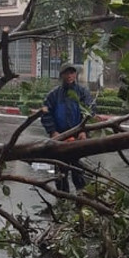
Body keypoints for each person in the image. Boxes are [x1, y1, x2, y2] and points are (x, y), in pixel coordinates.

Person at [40, 62, 95, 192]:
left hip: (77, 138)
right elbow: (46, 114)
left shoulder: (83, 93)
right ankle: (63, 198)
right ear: (62, 75)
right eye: (67, 73)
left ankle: (82, 195)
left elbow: (89, 111)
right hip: (60, 138)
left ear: (75, 74)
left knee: (77, 169)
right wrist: (53, 132)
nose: (70, 75)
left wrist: (84, 131)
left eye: (72, 72)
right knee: (61, 172)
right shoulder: (54, 95)